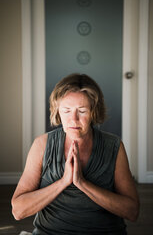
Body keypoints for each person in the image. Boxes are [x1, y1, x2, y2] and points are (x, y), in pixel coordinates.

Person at [12, 73, 140, 235]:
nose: (73, 119)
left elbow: (132, 211)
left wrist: (82, 183)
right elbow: (18, 211)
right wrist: (63, 182)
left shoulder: (113, 146)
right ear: (57, 111)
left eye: (82, 111)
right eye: (66, 110)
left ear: (93, 112)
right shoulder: (41, 145)